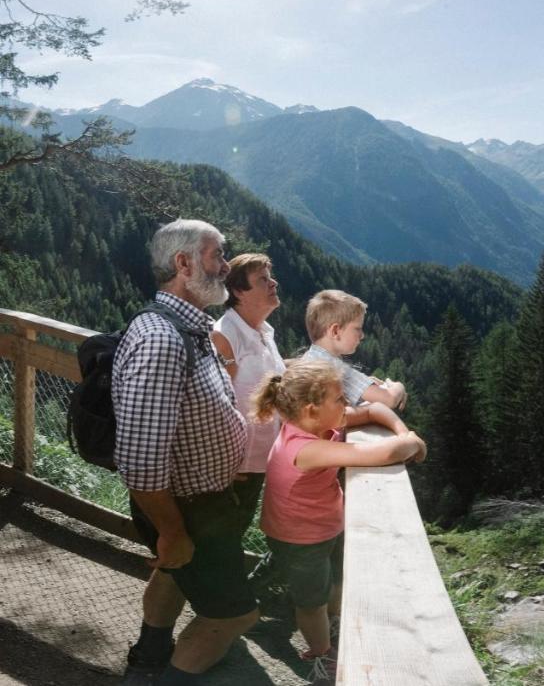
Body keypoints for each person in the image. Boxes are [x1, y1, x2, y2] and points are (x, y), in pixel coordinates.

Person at [114, 220, 256, 685]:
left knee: (173, 576)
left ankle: (148, 660)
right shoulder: (162, 338)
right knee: (234, 615)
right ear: (183, 263)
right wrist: (172, 530)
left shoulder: (189, 327)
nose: (226, 265)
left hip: (198, 502)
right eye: (218, 255)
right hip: (185, 508)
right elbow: (139, 459)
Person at [252, 359, 425, 681]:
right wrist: (413, 443)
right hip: (299, 538)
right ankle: (323, 656)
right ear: (311, 409)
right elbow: (382, 454)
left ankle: (329, 622)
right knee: (310, 602)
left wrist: (404, 431)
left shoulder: (316, 424)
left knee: (335, 578)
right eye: (339, 399)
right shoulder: (305, 447)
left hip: (324, 525)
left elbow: (374, 410)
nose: (347, 404)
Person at [211, 253, 285, 538]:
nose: (273, 283)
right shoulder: (224, 336)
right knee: (214, 544)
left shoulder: (263, 331)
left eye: (270, 276)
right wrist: (221, 467)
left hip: (254, 463)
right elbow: (212, 404)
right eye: (263, 279)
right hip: (233, 469)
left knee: (220, 541)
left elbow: (270, 374)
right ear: (239, 291)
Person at [301, 289, 407, 411]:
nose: (362, 335)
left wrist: (365, 384)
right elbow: (389, 399)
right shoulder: (335, 370)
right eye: (357, 329)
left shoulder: (310, 358)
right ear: (335, 331)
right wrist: (398, 386)